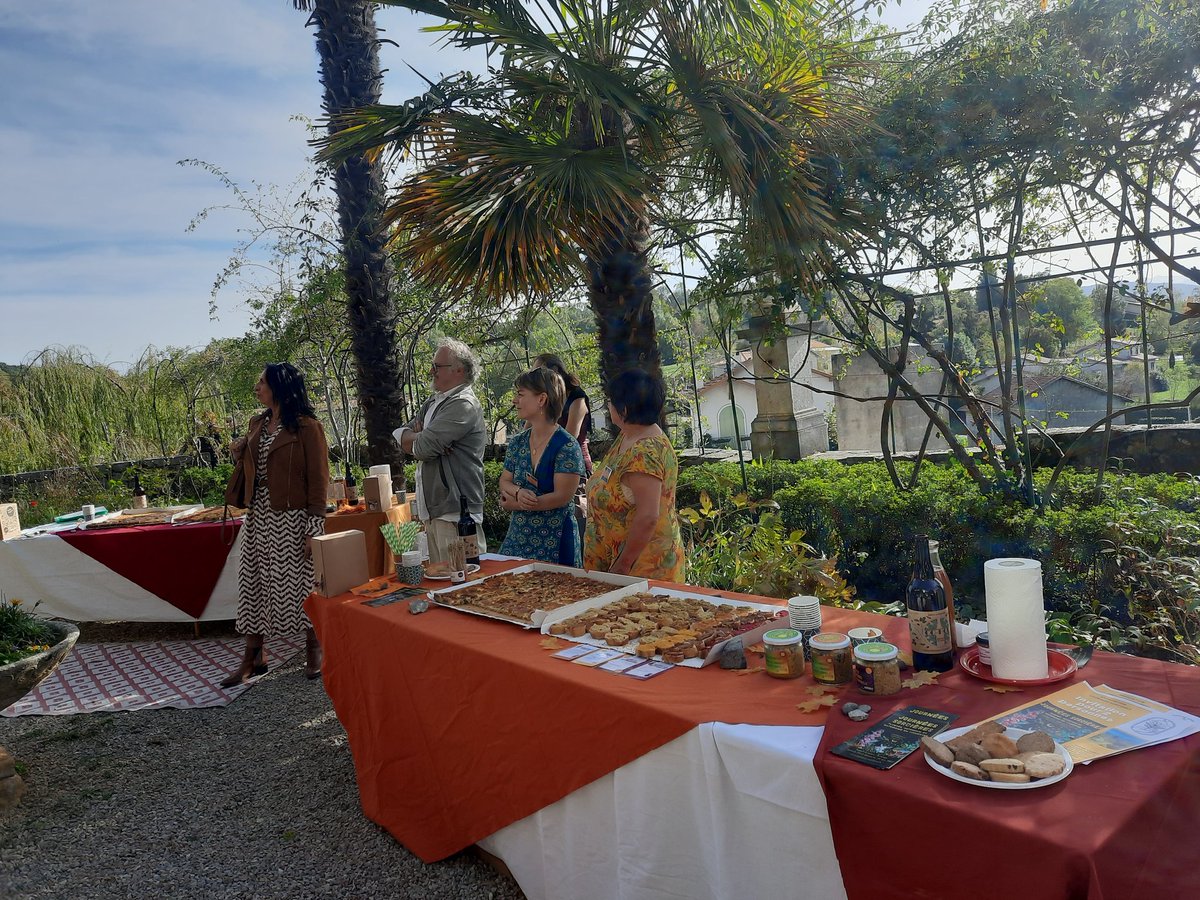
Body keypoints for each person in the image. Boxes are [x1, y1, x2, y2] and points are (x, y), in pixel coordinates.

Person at [222, 363, 330, 686]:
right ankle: (254, 656)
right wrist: (239, 452)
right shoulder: (258, 423)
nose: (257, 388)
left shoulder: (308, 428)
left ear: (279, 388)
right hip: (259, 517)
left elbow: (319, 480)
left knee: (302, 583)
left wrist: (314, 527)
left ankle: (314, 646)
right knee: (253, 583)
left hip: (294, 518)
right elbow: (253, 466)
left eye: (262, 383)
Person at [584, 368, 685, 581]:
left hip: (639, 569)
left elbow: (648, 517)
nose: (607, 406)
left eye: (610, 401)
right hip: (615, 563)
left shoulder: (645, 451)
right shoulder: (628, 435)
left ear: (625, 409)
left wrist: (622, 566)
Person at [393, 338, 488, 564]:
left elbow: (423, 448)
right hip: (437, 513)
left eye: (437, 366)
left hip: (457, 514)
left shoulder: (463, 404)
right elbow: (401, 436)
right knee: (443, 582)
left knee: (464, 585)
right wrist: (422, 437)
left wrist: (423, 438)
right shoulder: (434, 402)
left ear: (459, 370)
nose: (431, 371)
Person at [498, 367, 586, 565]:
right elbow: (504, 481)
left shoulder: (566, 445)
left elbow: (562, 497)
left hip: (556, 542)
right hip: (518, 539)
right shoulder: (518, 442)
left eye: (520, 395)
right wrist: (518, 492)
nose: (514, 400)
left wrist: (517, 503)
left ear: (541, 399)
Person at [533, 353, 593, 476]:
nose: (535, 378)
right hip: (547, 466)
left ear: (554, 370)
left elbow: (569, 436)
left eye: (539, 372)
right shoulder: (545, 397)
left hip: (574, 466)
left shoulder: (577, 397)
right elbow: (528, 430)